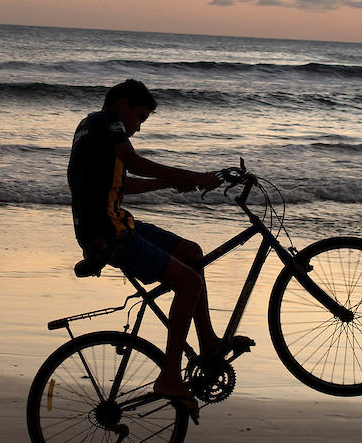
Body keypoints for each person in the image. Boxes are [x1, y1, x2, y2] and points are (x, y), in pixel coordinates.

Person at [67, 79, 251, 423]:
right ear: (122, 104)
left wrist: (171, 182)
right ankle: (169, 377)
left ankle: (208, 342)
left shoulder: (89, 128)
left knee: (192, 253)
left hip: (113, 224)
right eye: (140, 117)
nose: (137, 127)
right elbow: (134, 163)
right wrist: (193, 173)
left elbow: (122, 187)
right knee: (189, 284)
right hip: (111, 234)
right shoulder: (109, 122)